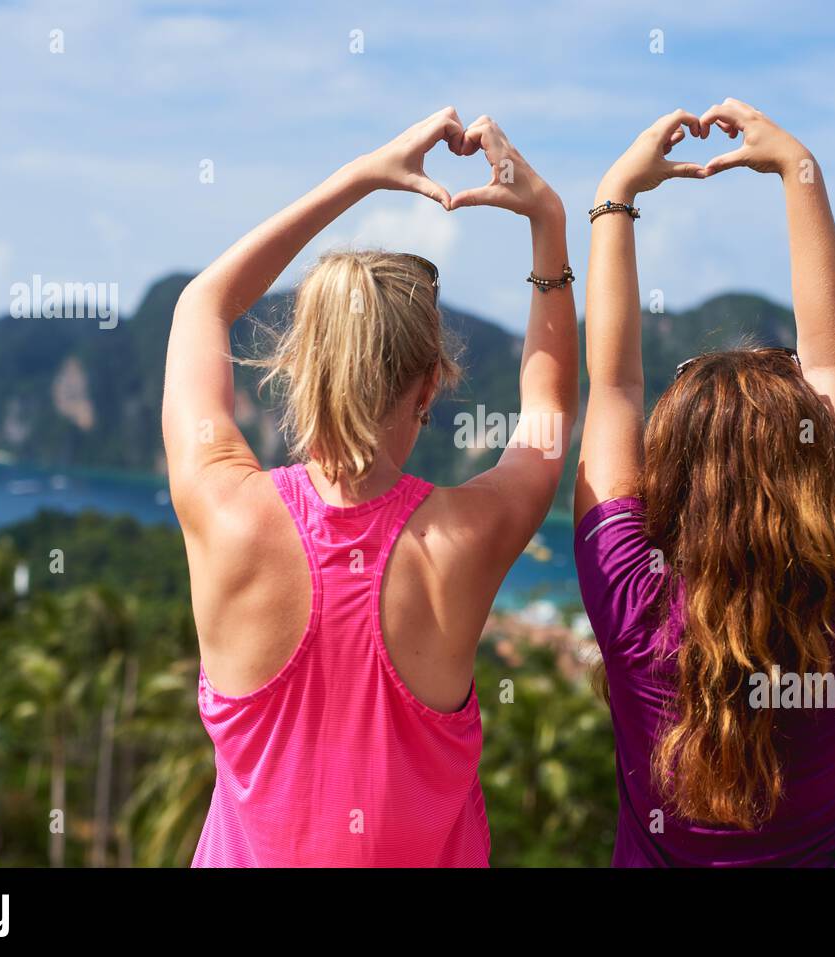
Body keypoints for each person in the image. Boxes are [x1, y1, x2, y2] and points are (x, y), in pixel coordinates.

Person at [163, 108, 577, 866]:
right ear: (428, 386)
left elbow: (203, 305)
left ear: (298, 365)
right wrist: (545, 220)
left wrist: (360, 175)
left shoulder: (222, 511)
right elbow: (548, 412)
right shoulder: (463, 539)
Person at [574, 99, 835, 866]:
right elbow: (832, 363)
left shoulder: (633, 600)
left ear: (675, 467)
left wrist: (617, 192)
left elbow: (615, 385)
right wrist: (798, 168)